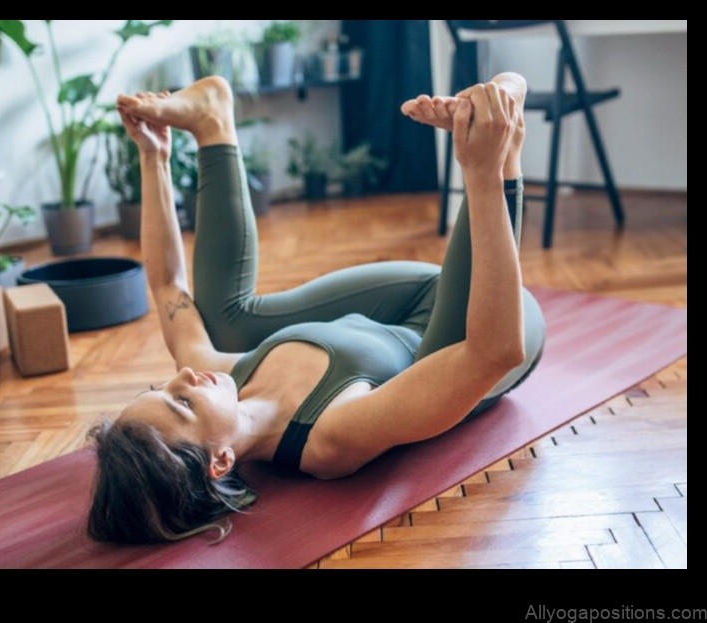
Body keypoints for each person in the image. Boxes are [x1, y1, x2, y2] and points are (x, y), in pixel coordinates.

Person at [86, 73, 546, 544]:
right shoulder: (328, 438)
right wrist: (486, 171)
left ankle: (211, 119)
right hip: (490, 326)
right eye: (182, 403)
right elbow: (492, 353)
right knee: (444, 353)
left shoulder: (222, 372)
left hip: (405, 300)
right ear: (219, 460)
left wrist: (153, 154)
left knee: (223, 321)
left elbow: (166, 285)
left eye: (159, 386)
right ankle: (503, 133)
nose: (182, 376)